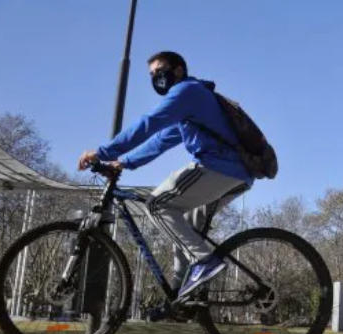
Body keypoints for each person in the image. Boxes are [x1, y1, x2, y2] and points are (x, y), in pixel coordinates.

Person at [78, 51, 252, 301]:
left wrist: (102, 153)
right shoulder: (192, 102)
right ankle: (184, 296)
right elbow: (161, 140)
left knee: (157, 204)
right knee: (186, 228)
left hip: (219, 167)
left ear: (178, 69)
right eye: (151, 75)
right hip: (235, 174)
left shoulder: (186, 92)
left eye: (160, 71)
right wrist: (123, 162)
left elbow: (149, 123)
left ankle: (205, 262)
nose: (156, 78)